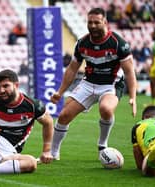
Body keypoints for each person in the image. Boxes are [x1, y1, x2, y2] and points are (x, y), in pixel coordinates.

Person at [50, 8, 137, 160]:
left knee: (106, 109)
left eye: (97, 22)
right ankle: (53, 153)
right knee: (63, 115)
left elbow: (129, 72)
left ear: (105, 22)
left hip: (111, 85)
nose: (93, 25)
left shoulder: (119, 44)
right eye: (90, 22)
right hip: (88, 83)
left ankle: (102, 144)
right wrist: (60, 92)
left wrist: (133, 97)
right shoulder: (82, 43)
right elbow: (72, 69)